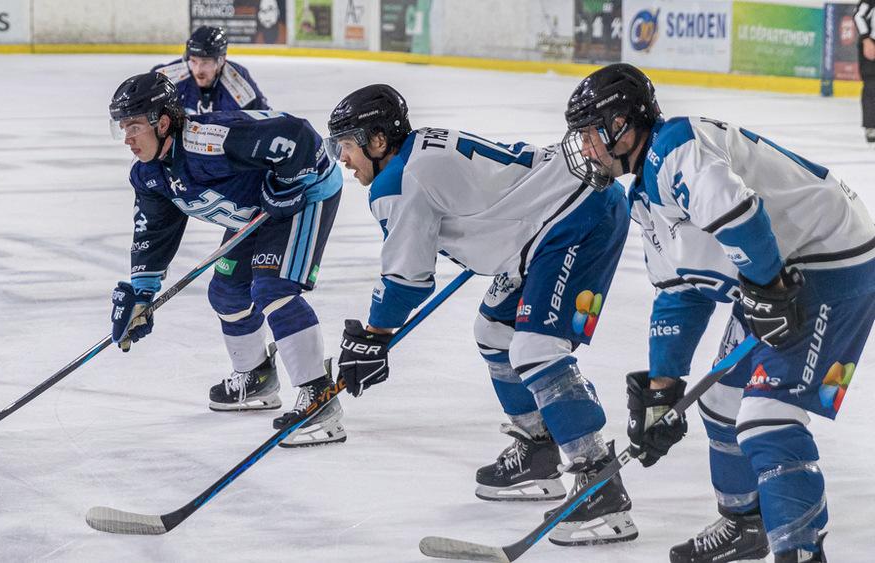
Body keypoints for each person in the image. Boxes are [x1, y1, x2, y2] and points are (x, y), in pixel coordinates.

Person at [562, 63, 875, 562]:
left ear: (620, 125)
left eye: (589, 134)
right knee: (722, 402)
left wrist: (768, 289)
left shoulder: (676, 146)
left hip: (828, 257)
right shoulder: (645, 195)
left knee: (767, 416)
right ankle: (745, 524)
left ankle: (801, 552)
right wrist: (662, 388)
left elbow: (741, 215)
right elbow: (681, 293)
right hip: (775, 270)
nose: (585, 148)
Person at [326, 84, 637, 546]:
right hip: (548, 222)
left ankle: (599, 483)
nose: (343, 159)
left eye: (346, 145)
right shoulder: (415, 152)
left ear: (376, 140)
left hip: (577, 218)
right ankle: (539, 449)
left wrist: (374, 335)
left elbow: (407, 279)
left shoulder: (398, 182)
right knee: (494, 331)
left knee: (536, 348)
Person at [108, 71, 345, 447]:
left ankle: (320, 397)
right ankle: (257, 377)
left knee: (272, 288)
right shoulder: (149, 174)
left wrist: (287, 184)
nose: (127, 138)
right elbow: (153, 233)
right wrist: (142, 293)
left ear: (163, 123)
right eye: (122, 128)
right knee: (227, 294)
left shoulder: (207, 141)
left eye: (134, 126)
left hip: (307, 191)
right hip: (256, 214)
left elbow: (297, 135)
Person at [153, 26, 269, 115]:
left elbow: (265, 118)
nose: (198, 70)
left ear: (221, 60)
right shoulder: (170, 76)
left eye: (205, 62)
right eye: (193, 61)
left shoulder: (239, 81)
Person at [854, 2, 875, 144]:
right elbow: (858, 15)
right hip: (871, 44)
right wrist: (866, 39)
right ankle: (871, 127)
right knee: (871, 86)